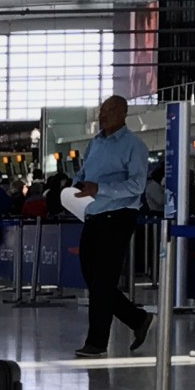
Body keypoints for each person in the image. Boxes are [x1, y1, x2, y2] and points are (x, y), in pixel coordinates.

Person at [71, 93, 151, 359]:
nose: (101, 116)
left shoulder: (133, 146)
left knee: (103, 281)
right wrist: (76, 185)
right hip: (93, 216)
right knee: (92, 278)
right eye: (101, 111)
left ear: (122, 113)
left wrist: (101, 188)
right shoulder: (95, 143)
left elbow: (137, 185)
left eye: (107, 111)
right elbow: (85, 173)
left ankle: (96, 342)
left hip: (118, 217)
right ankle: (137, 318)